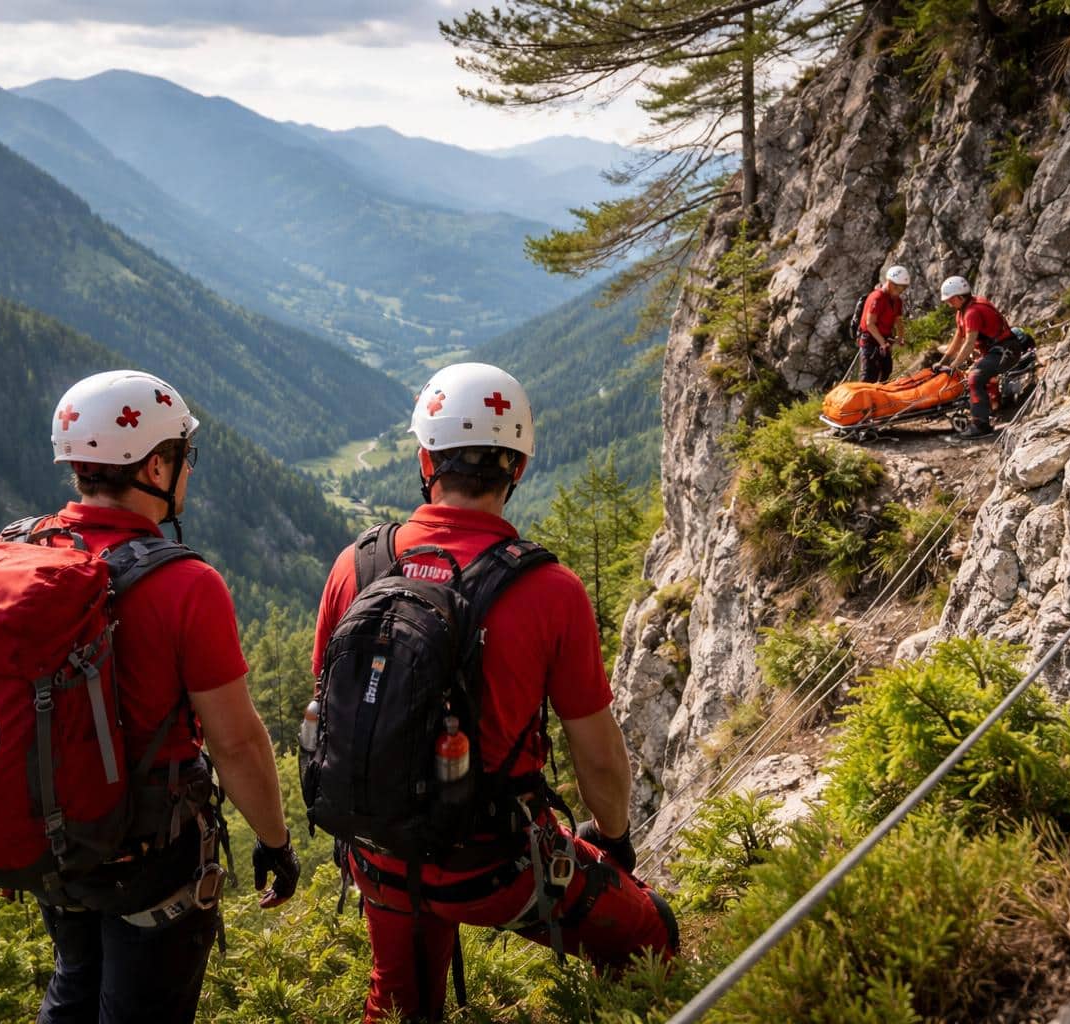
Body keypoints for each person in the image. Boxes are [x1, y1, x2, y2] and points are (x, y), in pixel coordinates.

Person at [311, 362, 678, 1023]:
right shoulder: (549, 591)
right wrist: (614, 839)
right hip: (494, 866)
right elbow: (598, 758)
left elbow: (332, 709)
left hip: (381, 856)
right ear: (519, 467)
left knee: (397, 1002)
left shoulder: (355, 566)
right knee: (650, 934)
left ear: (426, 459)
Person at [37, 370, 300, 1024]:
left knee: (73, 987)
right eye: (186, 456)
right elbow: (236, 744)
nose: (188, 471)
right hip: (152, 856)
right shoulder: (186, 584)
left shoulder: (28, 551)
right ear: (156, 465)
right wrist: (274, 841)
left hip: (56, 846)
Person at [934, 275, 1022, 438]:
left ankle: (980, 425)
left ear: (960, 297)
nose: (949, 303)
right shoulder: (962, 312)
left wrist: (953, 366)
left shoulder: (972, 312)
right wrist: (943, 362)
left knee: (975, 377)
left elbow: (969, 343)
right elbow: (958, 340)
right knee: (978, 372)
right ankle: (992, 408)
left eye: (950, 300)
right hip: (996, 351)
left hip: (1006, 351)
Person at [857, 265, 910, 383]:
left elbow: (898, 321)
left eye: (903, 288)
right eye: (900, 288)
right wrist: (882, 343)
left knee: (886, 370)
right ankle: (863, 394)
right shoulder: (877, 298)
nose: (901, 291)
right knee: (869, 374)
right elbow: (870, 324)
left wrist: (900, 337)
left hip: (884, 340)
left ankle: (879, 393)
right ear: (890, 283)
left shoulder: (897, 301)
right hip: (870, 341)